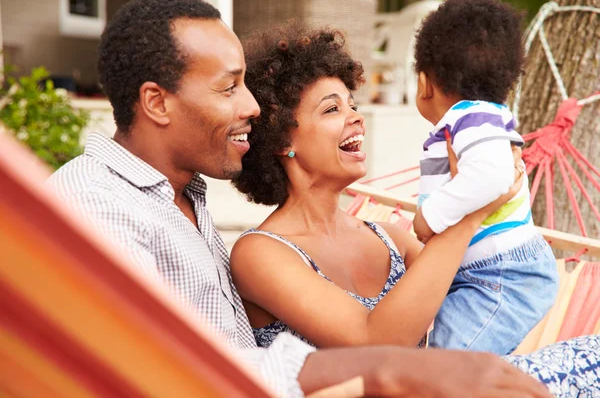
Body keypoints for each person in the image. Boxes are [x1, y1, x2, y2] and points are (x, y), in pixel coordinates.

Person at [44, 0, 578, 397]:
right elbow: (168, 366)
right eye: (230, 87)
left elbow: (488, 293)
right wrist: (467, 211)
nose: (252, 107)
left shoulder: (187, 202)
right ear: (157, 103)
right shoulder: (94, 206)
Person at [229, 20, 600, 397]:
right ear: (280, 137)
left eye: (353, 104)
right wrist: (470, 208)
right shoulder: (260, 253)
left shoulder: (389, 238)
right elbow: (375, 345)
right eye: (332, 110)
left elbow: (485, 289)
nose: (356, 116)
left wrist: (495, 182)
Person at [410, 0, 559, 354]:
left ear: (424, 83)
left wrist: (429, 217)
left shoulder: (470, 117)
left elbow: (494, 178)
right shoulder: (474, 120)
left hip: (502, 274)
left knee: (446, 368)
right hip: (487, 274)